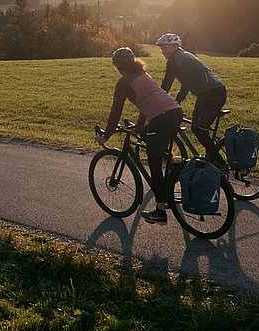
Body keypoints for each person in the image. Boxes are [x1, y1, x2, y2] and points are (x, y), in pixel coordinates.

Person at [96, 47, 183, 225]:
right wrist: (139, 126)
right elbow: (146, 103)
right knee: (146, 135)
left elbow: (115, 112)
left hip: (161, 118)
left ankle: (160, 211)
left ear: (118, 66)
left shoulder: (124, 82)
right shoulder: (144, 75)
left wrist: (106, 136)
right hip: (175, 111)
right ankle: (173, 164)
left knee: (154, 162)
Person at [155, 33, 227, 161]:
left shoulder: (174, 61)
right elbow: (186, 84)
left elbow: (166, 84)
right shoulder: (185, 56)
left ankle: (219, 162)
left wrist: (158, 102)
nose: (163, 52)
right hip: (215, 91)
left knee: (198, 128)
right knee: (200, 128)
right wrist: (177, 100)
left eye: (165, 48)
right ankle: (212, 159)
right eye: (162, 49)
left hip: (210, 93)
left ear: (175, 46)